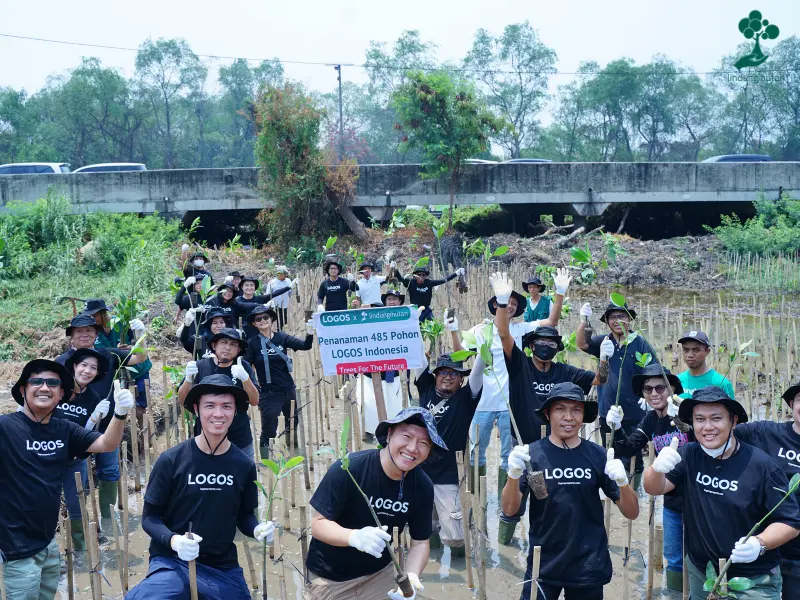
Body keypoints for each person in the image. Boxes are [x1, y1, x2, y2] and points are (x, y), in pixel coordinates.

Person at [126, 375, 274, 600]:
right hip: (172, 561)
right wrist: (174, 541)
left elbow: (244, 515)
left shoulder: (243, 465)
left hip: (222, 566)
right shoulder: (171, 460)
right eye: (210, 406)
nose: (218, 414)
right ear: (196, 409)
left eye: (226, 406)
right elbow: (149, 518)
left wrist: (256, 529)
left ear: (235, 412)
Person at [644, 386, 800, 599]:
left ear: (733, 421)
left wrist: (760, 543)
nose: (707, 427)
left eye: (716, 418)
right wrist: (656, 468)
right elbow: (654, 488)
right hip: (702, 573)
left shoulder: (762, 466)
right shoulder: (688, 455)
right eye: (699, 419)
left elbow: (790, 522)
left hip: (753, 581)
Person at [491, 271, 609, 545]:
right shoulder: (519, 365)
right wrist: (500, 302)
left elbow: (598, 379)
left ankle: (545, 544)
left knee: (547, 501)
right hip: (521, 444)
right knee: (512, 505)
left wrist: (603, 358)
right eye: (540, 343)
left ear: (556, 348)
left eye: (550, 344)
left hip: (551, 450)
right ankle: (504, 546)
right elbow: (503, 333)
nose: (545, 347)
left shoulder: (564, 370)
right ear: (531, 346)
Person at [1, 358, 133, 600]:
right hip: (15, 548)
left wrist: (120, 413)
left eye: (52, 383)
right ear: (23, 390)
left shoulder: (64, 429)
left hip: (48, 542)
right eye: (36, 381)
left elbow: (107, 443)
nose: (44, 387)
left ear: (61, 393)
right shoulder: (5, 427)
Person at [501, 382, 640, 600]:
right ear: (547, 413)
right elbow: (509, 510)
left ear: (583, 415)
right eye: (560, 409)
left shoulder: (598, 455)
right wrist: (513, 474)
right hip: (543, 564)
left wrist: (623, 482)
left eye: (576, 410)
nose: (568, 417)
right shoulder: (532, 456)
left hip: (588, 565)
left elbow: (632, 513)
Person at [305, 407, 447, 600]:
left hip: (379, 575)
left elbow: (420, 542)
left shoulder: (422, 486)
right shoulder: (349, 468)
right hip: (330, 578)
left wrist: (412, 576)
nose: (413, 448)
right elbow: (317, 524)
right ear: (389, 435)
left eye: (423, 443)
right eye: (406, 436)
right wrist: (354, 537)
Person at [468, 268, 570, 505]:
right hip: (482, 403)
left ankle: (506, 501)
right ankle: (475, 499)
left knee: (508, 456)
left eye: (514, 303)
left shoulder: (520, 330)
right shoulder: (479, 330)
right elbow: (458, 352)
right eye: (506, 301)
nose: (510, 306)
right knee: (475, 454)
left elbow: (552, 322)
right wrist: (452, 329)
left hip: (509, 404)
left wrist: (560, 293)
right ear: (496, 303)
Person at [56, 313, 149, 533]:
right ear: (71, 336)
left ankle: (107, 520)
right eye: (79, 331)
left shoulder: (108, 355)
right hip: (75, 431)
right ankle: (81, 528)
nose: (85, 334)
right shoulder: (61, 362)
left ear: (96, 334)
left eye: (89, 330)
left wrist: (140, 335)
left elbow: (140, 357)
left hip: (108, 427)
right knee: (78, 481)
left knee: (109, 471)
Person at [606, 364, 692, 592]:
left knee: (697, 558)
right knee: (673, 559)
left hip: (698, 499)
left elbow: (705, 440)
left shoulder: (687, 412)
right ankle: (675, 594)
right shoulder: (650, 420)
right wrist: (616, 427)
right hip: (672, 500)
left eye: (661, 388)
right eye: (648, 389)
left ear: (672, 388)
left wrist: (685, 420)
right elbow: (628, 448)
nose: (654, 394)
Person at [412, 313, 484, 556]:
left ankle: (458, 561)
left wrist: (483, 347)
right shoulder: (425, 388)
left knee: (455, 534)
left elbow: (478, 370)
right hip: (419, 471)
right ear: (435, 376)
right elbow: (416, 357)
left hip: (450, 474)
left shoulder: (466, 398)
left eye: (454, 374)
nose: (448, 376)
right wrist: (410, 324)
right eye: (443, 372)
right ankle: (429, 557)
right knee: (425, 524)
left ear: (461, 381)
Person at [734, 382, 800, 597]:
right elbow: (720, 434)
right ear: (791, 404)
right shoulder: (765, 432)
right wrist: (683, 415)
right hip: (765, 548)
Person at [577, 300, 655, 479]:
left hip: (635, 413)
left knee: (634, 460)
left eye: (622, 316)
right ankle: (613, 496)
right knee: (611, 457)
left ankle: (633, 495)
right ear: (607, 321)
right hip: (608, 412)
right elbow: (582, 344)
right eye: (613, 317)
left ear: (629, 319)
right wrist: (584, 320)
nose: (618, 320)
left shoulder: (640, 343)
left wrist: (649, 397)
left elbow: (654, 372)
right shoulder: (604, 341)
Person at [56, 348, 110, 551]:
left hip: (75, 460)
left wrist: (94, 418)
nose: (87, 371)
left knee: (76, 505)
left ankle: (80, 548)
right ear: (74, 366)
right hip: (48, 457)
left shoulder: (94, 398)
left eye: (93, 368)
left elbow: (87, 437)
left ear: (97, 374)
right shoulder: (58, 389)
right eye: (84, 365)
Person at [177, 328, 260, 460]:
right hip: (205, 440)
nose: (228, 347)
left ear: (238, 350)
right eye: (224, 342)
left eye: (233, 345)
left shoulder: (243, 367)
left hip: (239, 438)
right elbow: (182, 400)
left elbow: (255, 401)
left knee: (244, 478)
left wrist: (245, 379)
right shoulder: (200, 366)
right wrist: (188, 380)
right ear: (214, 346)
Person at [243, 306, 314, 457]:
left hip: (288, 388)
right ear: (254, 324)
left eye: (265, 318)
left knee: (293, 422)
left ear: (271, 319)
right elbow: (246, 366)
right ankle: (265, 459)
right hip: (268, 392)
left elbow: (305, 346)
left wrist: (309, 332)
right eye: (258, 319)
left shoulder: (282, 338)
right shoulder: (252, 343)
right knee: (269, 427)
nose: (262, 321)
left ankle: (293, 450)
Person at [84, 298, 153, 429]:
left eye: (95, 315)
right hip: (118, 374)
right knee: (120, 407)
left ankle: (147, 440)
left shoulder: (122, 323)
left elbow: (140, 344)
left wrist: (131, 347)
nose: (93, 319)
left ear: (103, 313)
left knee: (140, 410)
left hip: (138, 369)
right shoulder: (94, 332)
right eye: (90, 316)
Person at [391, 265, 464, 321]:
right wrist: (395, 269)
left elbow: (443, 280)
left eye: (423, 275)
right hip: (415, 309)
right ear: (415, 276)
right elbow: (400, 279)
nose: (421, 276)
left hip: (426, 309)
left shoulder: (429, 282)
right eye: (419, 274)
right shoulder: (410, 282)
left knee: (433, 326)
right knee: (418, 329)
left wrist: (456, 273)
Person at [676, 330, 735, 399]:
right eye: (686, 350)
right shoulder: (677, 381)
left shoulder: (721, 383)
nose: (690, 355)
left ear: (707, 352)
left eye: (696, 350)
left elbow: (731, 409)